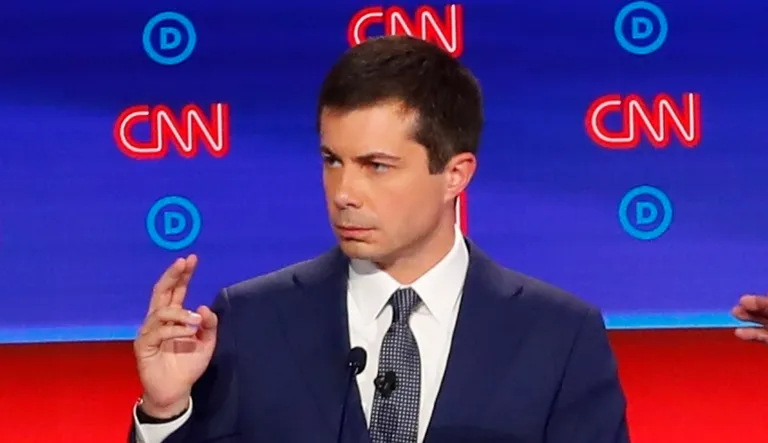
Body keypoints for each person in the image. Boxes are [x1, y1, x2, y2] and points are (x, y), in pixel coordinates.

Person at [129, 35, 630, 443]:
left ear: (455, 175)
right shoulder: (251, 320)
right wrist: (165, 411)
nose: (344, 193)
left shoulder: (560, 336)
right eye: (332, 161)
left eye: (376, 166)